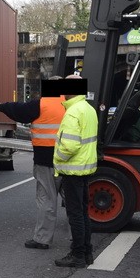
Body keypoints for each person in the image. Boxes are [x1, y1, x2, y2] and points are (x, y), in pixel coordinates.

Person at [0, 78, 66, 250]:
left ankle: (42, 239)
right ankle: (80, 238)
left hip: (46, 160)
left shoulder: (41, 104)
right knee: (74, 200)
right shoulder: (70, 105)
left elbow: (18, 110)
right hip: (69, 160)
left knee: (47, 199)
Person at [52, 76, 99, 268]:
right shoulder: (89, 109)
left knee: (75, 214)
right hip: (86, 168)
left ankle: (78, 255)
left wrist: (57, 158)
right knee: (83, 212)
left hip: (72, 170)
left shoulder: (72, 112)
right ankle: (86, 252)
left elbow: (69, 146)